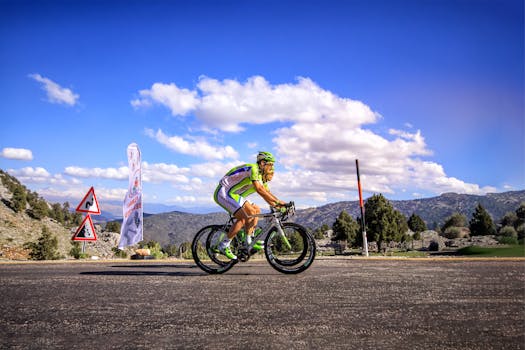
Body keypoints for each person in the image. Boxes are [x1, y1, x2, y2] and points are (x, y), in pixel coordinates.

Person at [213, 151, 286, 260]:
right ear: (262, 163)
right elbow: (260, 190)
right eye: (270, 165)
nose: (271, 169)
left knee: (256, 209)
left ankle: (248, 239)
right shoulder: (254, 169)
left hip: (235, 194)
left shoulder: (261, 178)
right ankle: (223, 245)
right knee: (243, 217)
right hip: (224, 192)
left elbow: (268, 197)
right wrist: (279, 202)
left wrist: (282, 207)